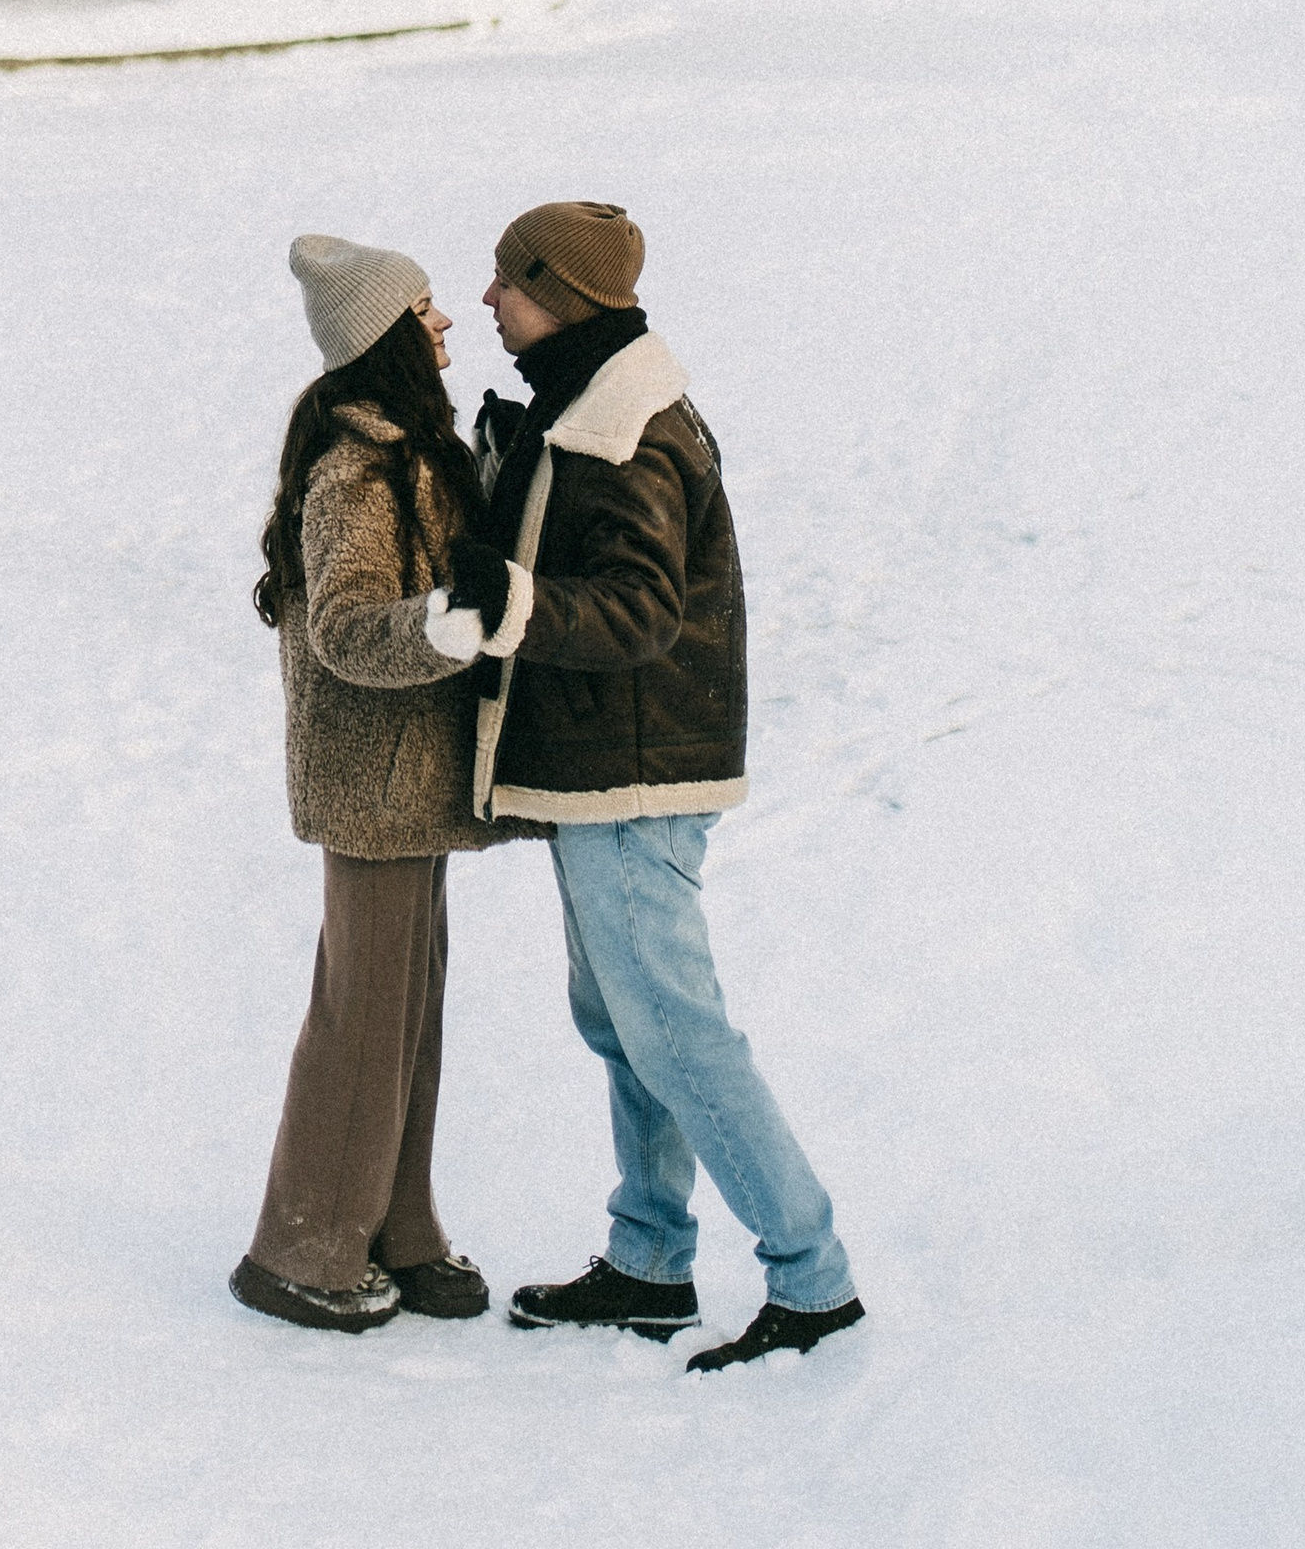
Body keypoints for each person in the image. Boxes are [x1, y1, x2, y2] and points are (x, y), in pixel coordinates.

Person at [426, 198, 865, 1371]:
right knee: (626, 1028)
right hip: (606, 771)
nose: (486, 300)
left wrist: (510, 601)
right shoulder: (581, 404)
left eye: (507, 281)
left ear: (559, 294)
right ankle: (649, 1262)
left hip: (634, 776)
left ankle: (811, 1280)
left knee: (675, 1034)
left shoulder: (628, 430)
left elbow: (639, 608)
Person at [231, 232, 543, 1337]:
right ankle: (303, 1248)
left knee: (406, 1017)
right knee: (363, 1023)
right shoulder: (355, 470)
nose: (445, 321)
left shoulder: (408, 450)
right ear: (384, 338)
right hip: (372, 786)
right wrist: (444, 626)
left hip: (407, 788)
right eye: (422, 311)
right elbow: (346, 628)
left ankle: (396, 1227)